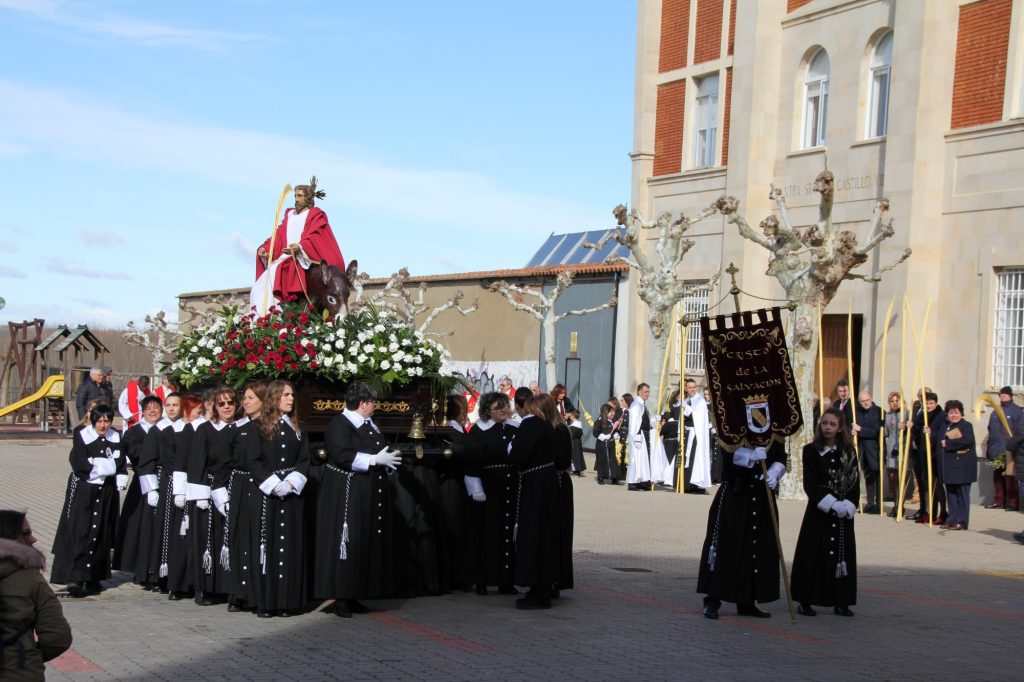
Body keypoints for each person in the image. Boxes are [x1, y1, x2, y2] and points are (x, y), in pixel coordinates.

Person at [316, 382, 401, 617]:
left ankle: (355, 593)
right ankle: (341, 596)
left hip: (366, 490)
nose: (376, 407)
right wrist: (375, 460)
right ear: (363, 403)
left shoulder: (369, 424)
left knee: (361, 543)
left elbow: (379, 448)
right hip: (346, 491)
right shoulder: (340, 424)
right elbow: (342, 455)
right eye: (373, 402)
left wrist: (387, 460)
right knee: (347, 542)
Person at [697, 437, 788, 619]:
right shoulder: (734, 421)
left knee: (756, 546)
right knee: (727, 545)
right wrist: (749, 456)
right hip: (736, 492)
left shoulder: (773, 424)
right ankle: (713, 599)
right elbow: (727, 449)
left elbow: (779, 453)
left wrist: (775, 470)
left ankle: (747, 600)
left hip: (761, 494)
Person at [247, 380, 311, 618]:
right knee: (269, 546)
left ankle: (288, 601)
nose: (291, 399)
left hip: (292, 494)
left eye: (292, 395)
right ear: (274, 398)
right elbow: (254, 460)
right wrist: (274, 485)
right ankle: (266, 602)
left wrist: (292, 482)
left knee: (290, 547)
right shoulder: (258, 427)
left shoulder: (298, 428)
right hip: (267, 496)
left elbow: (304, 459)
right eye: (286, 395)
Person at [51, 403, 125, 597]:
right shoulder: (82, 435)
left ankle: (93, 577)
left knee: (101, 531)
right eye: (99, 421)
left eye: (107, 420)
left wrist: (99, 464)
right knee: (80, 530)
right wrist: (104, 467)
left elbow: (119, 462)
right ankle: (75, 577)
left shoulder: (115, 437)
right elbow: (80, 464)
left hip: (107, 492)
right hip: (84, 489)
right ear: (93, 421)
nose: (103, 425)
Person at [791, 408, 859, 617]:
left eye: (832, 424)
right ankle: (806, 599)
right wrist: (829, 503)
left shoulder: (848, 451)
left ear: (840, 429)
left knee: (841, 556)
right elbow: (810, 484)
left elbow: (854, 480)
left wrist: (849, 504)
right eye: (825, 423)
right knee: (813, 554)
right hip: (819, 511)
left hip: (842, 512)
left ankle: (841, 601)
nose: (828, 427)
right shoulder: (811, 450)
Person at [250, 178, 345, 315]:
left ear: (308, 197)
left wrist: (300, 247)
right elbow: (279, 236)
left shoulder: (315, 214)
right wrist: (266, 248)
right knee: (259, 286)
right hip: (285, 257)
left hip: (302, 257)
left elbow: (315, 235)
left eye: (300, 196)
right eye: (295, 195)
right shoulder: (290, 215)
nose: (296, 199)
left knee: (275, 273)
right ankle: (263, 318)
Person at [0, 510, 72, 680]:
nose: (33, 539)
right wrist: (29, 657)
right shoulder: (31, 579)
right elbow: (58, 637)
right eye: (27, 533)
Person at [509, 388, 561, 610]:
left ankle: (538, 590)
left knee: (534, 534)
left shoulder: (531, 425)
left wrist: (511, 446)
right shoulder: (545, 425)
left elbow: (518, 454)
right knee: (544, 535)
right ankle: (541, 586)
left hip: (536, 486)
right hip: (545, 482)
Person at [186, 387, 238, 606]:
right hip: (207, 491)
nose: (227, 407)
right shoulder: (206, 430)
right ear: (214, 407)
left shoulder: (241, 429)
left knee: (230, 539)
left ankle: (227, 586)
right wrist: (200, 494)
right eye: (222, 403)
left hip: (233, 489)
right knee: (208, 539)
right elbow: (196, 461)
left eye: (230, 403)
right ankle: (205, 587)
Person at [220, 380, 268, 613]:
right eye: (245, 398)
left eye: (250, 398)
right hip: (239, 485)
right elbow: (223, 462)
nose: (245, 402)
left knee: (257, 538)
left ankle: (257, 593)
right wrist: (221, 493)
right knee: (238, 537)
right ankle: (238, 592)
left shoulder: (269, 428)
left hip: (259, 486)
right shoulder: (237, 429)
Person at [467, 392, 519, 594]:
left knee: (508, 532)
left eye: (505, 406)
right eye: (498, 408)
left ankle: (506, 580)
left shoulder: (515, 428)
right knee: (487, 533)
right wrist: (476, 487)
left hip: (510, 484)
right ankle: (483, 579)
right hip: (489, 487)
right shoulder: (478, 431)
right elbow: (471, 460)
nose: (504, 411)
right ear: (488, 411)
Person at [113, 395, 165, 588]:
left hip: (166, 481)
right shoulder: (134, 433)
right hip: (142, 484)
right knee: (141, 528)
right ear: (143, 411)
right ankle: (141, 570)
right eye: (149, 408)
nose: (153, 411)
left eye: (157, 407)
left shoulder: (168, 429)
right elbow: (137, 455)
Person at [166, 394, 204, 601]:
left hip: (200, 490)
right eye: (198, 412)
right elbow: (180, 463)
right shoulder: (188, 430)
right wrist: (179, 492)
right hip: (187, 490)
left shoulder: (202, 428)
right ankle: (177, 584)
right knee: (182, 538)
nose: (201, 416)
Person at [535, 393, 574, 596]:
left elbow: (560, 459)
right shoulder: (555, 428)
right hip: (555, 480)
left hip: (558, 482)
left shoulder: (557, 430)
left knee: (557, 530)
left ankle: (556, 580)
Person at [910, 392, 947, 524]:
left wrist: (931, 433)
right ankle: (928, 512)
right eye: (926, 403)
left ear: (936, 403)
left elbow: (942, 435)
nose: (929, 406)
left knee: (936, 486)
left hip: (934, 455)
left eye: (931, 403)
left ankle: (942, 513)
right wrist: (911, 427)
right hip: (923, 454)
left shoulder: (941, 416)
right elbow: (916, 432)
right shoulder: (921, 415)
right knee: (925, 485)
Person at [941, 400, 977, 530]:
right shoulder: (946, 426)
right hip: (950, 466)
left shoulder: (966, 425)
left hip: (963, 467)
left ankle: (962, 521)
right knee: (951, 494)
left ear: (961, 413)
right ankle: (951, 519)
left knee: (962, 495)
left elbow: (967, 441)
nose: (954, 415)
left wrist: (948, 444)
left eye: (956, 412)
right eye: (951, 412)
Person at [986, 386, 1023, 511]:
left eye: (1005, 395)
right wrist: (990, 447)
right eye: (1001, 395)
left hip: (1009, 450)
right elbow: (990, 429)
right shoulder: (995, 411)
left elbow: (1019, 431)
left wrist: (1013, 446)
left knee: (1010, 477)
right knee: (997, 477)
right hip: (996, 449)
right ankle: (999, 501)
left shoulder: (1016, 411)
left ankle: (1012, 502)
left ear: (1010, 396)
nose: (1003, 397)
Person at [853, 389, 883, 514]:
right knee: (868, 476)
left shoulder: (878, 412)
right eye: (862, 401)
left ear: (871, 399)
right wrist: (853, 431)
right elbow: (853, 426)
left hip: (874, 449)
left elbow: (876, 431)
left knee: (877, 477)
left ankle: (879, 504)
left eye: (867, 400)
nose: (865, 403)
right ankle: (870, 503)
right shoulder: (858, 412)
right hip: (863, 450)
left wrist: (860, 429)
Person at [681, 379, 712, 493]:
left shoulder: (700, 401)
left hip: (696, 433)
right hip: (687, 432)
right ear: (686, 388)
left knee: (694, 457)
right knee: (687, 457)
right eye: (690, 387)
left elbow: (697, 415)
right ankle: (686, 483)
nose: (692, 389)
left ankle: (695, 484)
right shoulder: (687, 399)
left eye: (694, 387)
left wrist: (686, 407)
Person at [626, 383, 653, 491]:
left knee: (642, 460)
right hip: (638, 436)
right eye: (646, 392)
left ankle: (642, 481)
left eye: (648, 392)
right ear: (639, 392)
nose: (648, 394)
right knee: (636, 459)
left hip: (643, 434)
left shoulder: (642, 405)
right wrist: (636, 436)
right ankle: (633, 482)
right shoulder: (636, 405)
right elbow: (634, 423)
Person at [592, 403, 623, 485]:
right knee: (602, 461)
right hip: (602, 445)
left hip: (611, 444)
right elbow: (595, 432)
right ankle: (601, 477)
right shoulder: (599, 421)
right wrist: (603, 436)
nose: (613, 414)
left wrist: (616, 434)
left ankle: (614, 478)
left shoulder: (611, 422)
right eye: (611, 412)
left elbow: (615, 431)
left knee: (613, 460)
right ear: (606, 412)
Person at [566, 409, 586, 476]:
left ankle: (574, 470)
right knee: (578, 456)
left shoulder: (572, 426)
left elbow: (570, 436)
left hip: (573, 442)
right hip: (578, 442)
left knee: (573, 456)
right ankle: (578, 470)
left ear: (572, 416)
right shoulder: (579, 425)